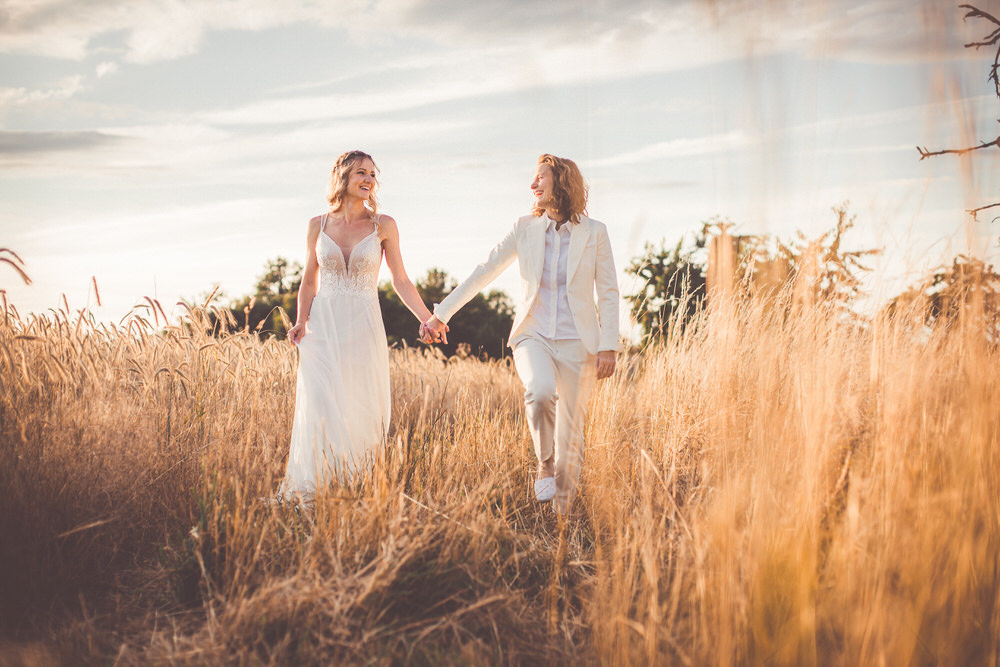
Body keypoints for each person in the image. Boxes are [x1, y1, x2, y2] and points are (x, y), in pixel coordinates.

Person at [423, 154, 620, 515]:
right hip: (533, 334)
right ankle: (544, 462)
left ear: (560, 181)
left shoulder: (595, 232)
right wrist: (441, 314)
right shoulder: (524, 228)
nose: (532, 186)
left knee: (572, 428)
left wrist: (609, 346)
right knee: (541, 391)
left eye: (539, 178)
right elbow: (485, 271)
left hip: (580, 341)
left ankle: (564, 513)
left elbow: (608, 291)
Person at [280, 150, 435, 499]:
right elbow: (308, 281)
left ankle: (355, 486)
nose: (368, 180)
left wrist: (428, 318)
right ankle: (314, 488)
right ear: (343, 178)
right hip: (322, 326)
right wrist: (301, 321)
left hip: (364, 325)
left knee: (361, 403)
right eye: (360, 173)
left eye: (372, 174)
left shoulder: (384, 225)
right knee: (320, 403)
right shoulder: (317, 225)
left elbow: (401, 281)